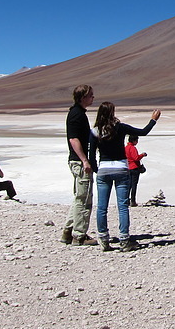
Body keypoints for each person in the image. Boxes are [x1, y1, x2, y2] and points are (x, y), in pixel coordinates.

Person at [91, 102, 161, 252]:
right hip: (121, 169)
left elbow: (91, 155)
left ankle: (103, 239)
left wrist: (98, 170)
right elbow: (143, 132)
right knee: (123, 206)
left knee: (102, 207)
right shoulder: (120, 127)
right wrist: (153, 120)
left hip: (104, 170)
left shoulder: (95, 131)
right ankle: (124, 240)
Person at [62, 84, 98, 246]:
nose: (93, 97)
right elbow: (74, 139)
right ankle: (80, 236)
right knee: (84, 199)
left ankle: (68, 232)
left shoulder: (77, 113)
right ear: (83, 97)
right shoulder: (77, 115)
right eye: (90, 95)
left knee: (79, 198)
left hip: (77, 160)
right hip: (79, 162)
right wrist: (85, 160)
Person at [125, 135, 147, 207]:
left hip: (128, 168)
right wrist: (142, 155)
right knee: (134, 185)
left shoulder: (126, 148)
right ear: (134, 140)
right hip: (134, 168)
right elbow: (136, 158)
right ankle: (133, 201)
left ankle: (126, 200)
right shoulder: (132, 148)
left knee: (129, 185)